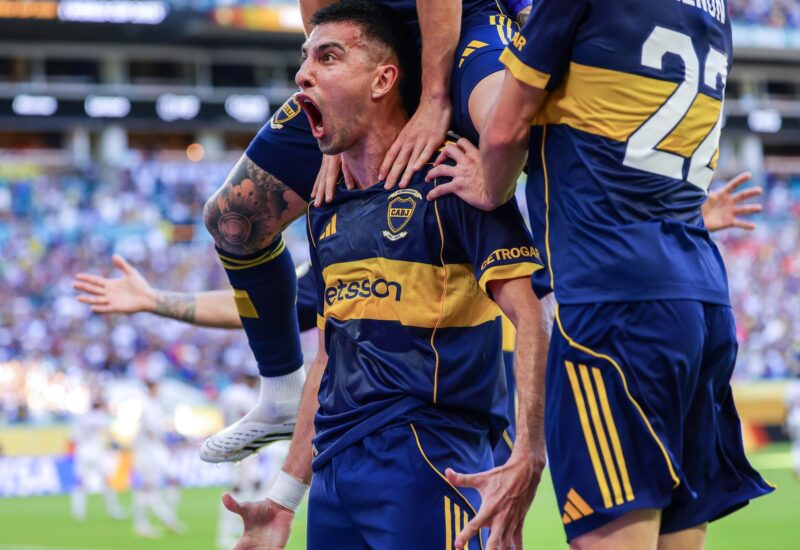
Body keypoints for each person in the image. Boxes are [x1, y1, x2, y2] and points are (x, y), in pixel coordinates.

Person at [426, 1, 775, 548]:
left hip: (613, 306)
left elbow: (503, 131)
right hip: (703, 296)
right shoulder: (717, 10)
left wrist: (489, 187)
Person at [224, 3, 548, 549]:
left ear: (383, 80)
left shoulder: (455, 177)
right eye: (304, 58)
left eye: (327, 57)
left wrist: (528, 453)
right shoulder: (327, 203)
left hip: (429, 461)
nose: (302, 74)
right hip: (333, 474)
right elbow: (328, 356)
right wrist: (284, 497)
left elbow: (531, 317)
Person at [131, 381, 185, 538]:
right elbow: (150, 431)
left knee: (169, 481)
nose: (158, 390)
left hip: (156, 451)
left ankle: (167, 519)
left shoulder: (154, 405)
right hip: (148, 453)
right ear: (150, 389)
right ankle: (143, 524)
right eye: (155, 388)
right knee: (148, 487)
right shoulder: (145, 406)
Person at [69, 397, 125, 522]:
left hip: (83, 453)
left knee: (80, 483)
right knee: (107, 481)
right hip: (98, 453)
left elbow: (73, 437)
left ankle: (78, 512)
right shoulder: (102, 418)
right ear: (99, 406)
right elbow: (109, 436)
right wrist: (115, 446)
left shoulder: (82, 419)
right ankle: (112, 510)